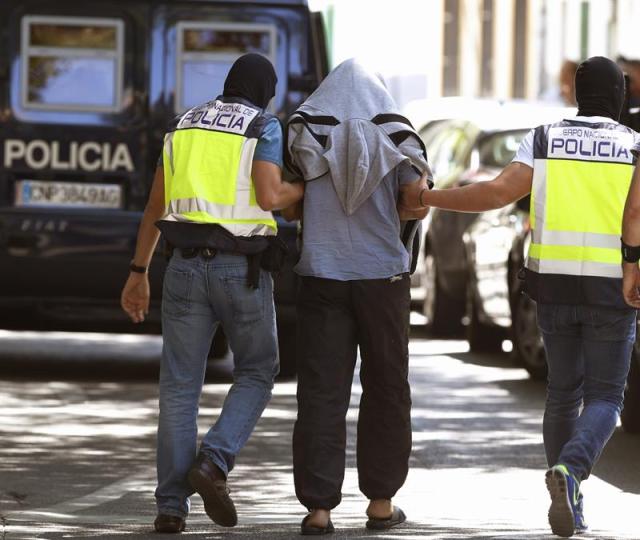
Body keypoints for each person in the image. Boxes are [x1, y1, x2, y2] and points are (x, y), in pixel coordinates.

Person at [400, 56, 639, 538]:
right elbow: (634, 213)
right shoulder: (635, 145)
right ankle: (572, 471)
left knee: (562, 392)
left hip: (551, 285)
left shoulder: (545, 138)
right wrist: (632, 265)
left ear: (574, 92)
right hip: (611, 286)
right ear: (620, 96)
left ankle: (569, 489)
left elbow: (495, 194)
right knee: (608, 397)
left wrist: (426, 199)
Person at [120, 53, 304, 534]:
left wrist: (138, 271)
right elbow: (268, 196)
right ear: (266, 89)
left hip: (181, 269)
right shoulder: (262, 125)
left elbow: (155, 206)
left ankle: (170, 507)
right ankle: (214, 461)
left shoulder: (182, 125)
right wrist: (300, 190)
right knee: (259, 370)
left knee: (179, 389)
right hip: (238, 270)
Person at [284, 59, 431, 535]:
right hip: (382, 278)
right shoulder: (398, 134)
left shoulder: (306, 130)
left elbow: (289, 197)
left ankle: (319, 508)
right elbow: (415, 198)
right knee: (387, 387)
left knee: (322, 391)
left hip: (322, 275)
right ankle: (381, 502)